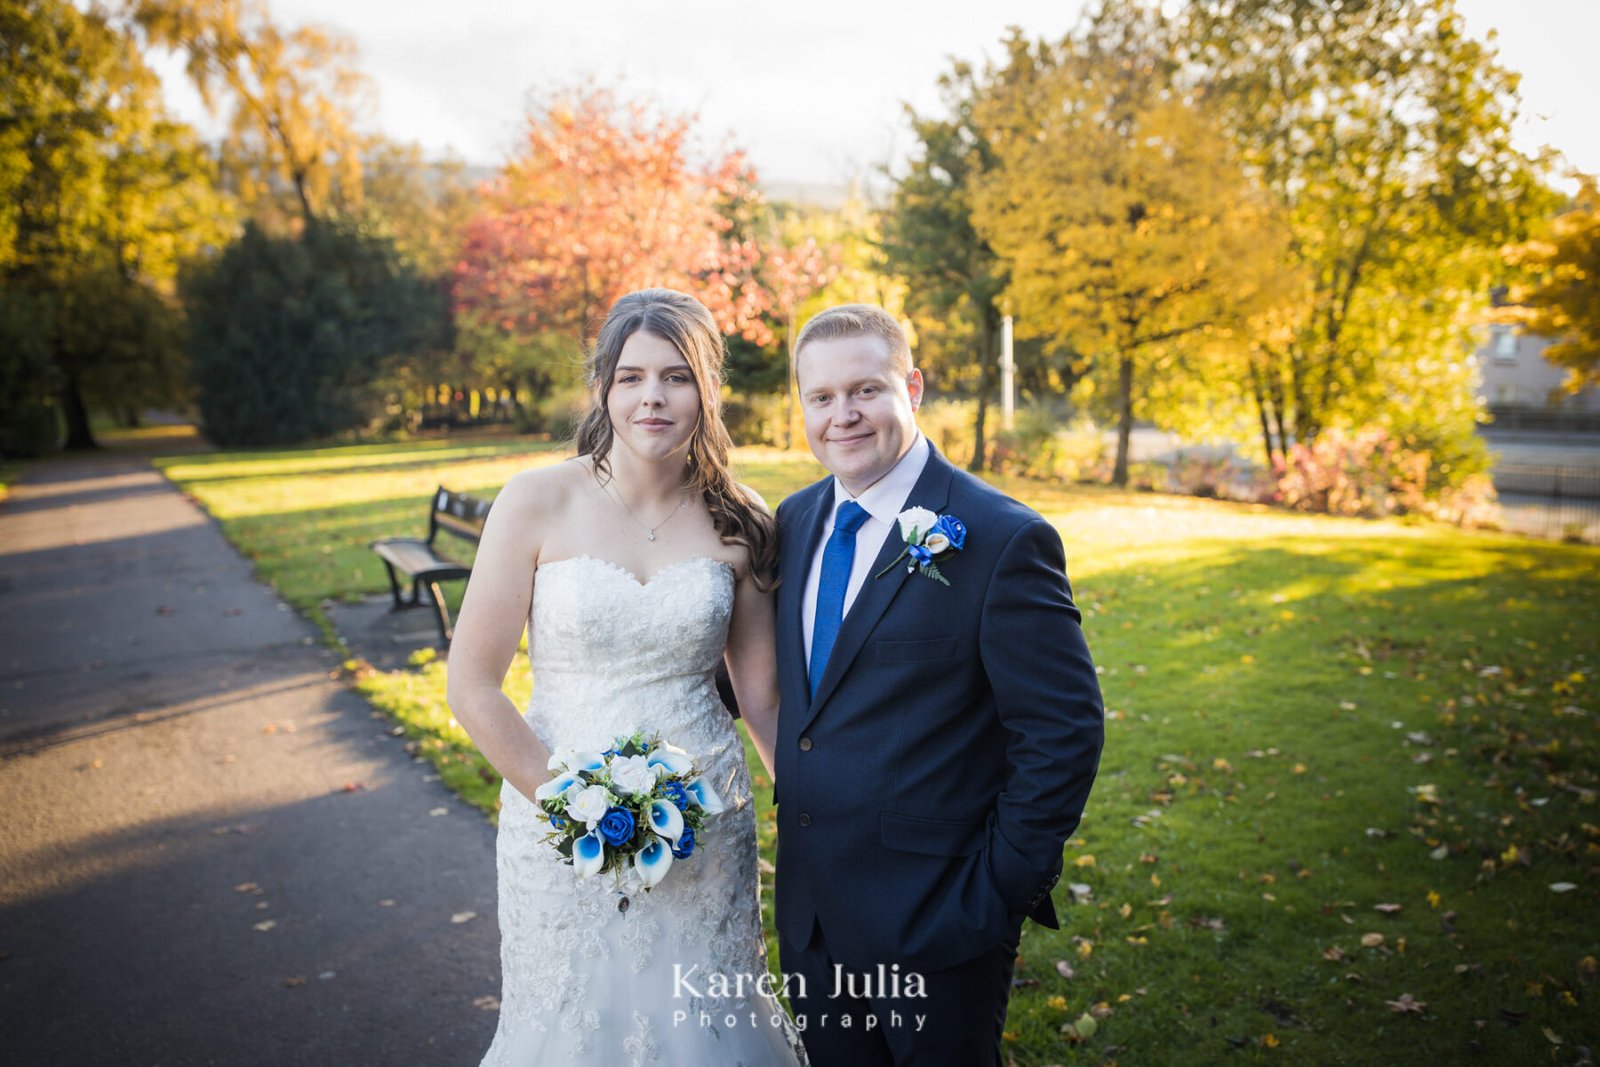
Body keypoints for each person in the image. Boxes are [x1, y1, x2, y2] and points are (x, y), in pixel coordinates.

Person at [446, 289, 805, 1065]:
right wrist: (575, 808)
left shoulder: (740, 520)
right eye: (632, 376)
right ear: (604, 385)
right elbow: (472, 685)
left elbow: (763, 698)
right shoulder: (536, 500)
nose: (653, 396)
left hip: (705, 821)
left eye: (677, 376)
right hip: (555, 821)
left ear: (708, 389)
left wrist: (816, 812)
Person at [772, 304, 1104, 1065]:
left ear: (912, 387)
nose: (842, 415)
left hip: (941, 924)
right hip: (813, 918)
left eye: (866, 390)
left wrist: (995, 894)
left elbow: (1063, 732)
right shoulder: (793, 523)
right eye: (820, 398)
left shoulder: (999, 537)